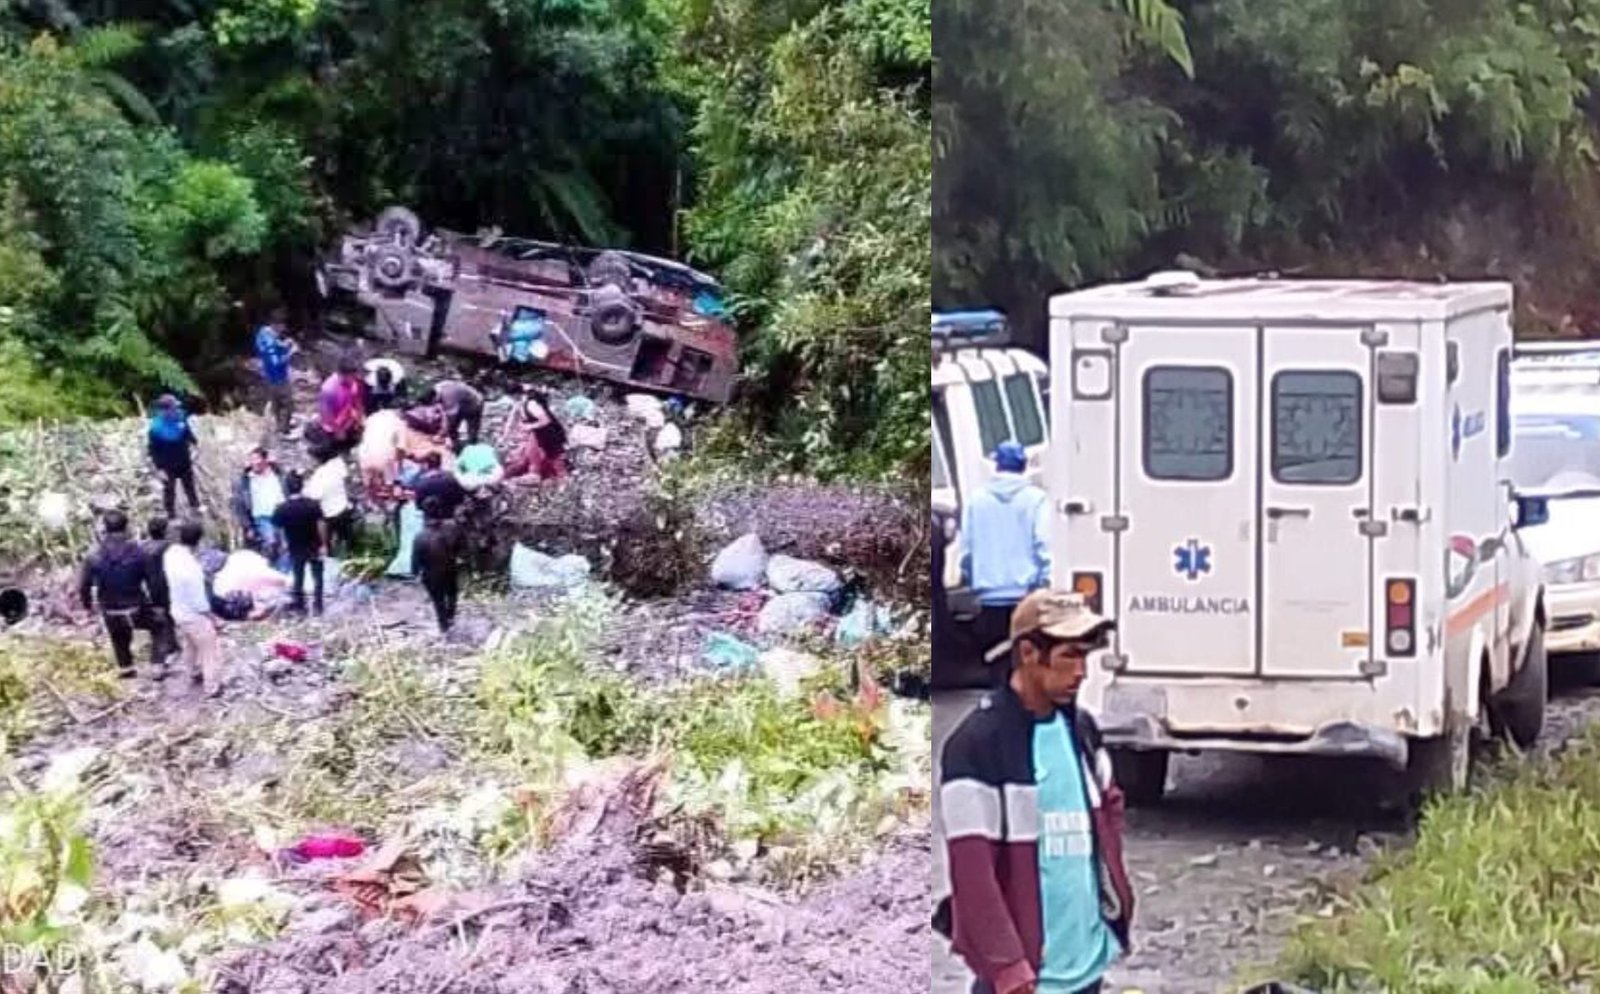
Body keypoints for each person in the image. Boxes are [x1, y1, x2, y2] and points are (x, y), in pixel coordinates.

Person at [935, 589, 1134, 994]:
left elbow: (1108, 809)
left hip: (1086, 965)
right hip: (1025, 981)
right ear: (1028, 653)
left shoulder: (1082, 731)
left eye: (1086, 657)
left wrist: (1116, 905)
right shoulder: (977, 745)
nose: (1082, 672)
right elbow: (974, 874)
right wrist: (1008, 967)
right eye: (1069, 656)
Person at [961, 441, 1051, 666]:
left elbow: (966, 550)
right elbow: (1044, 544)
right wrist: (1044, 580)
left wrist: (973, 579)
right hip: (1025, 596)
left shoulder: (976, 500)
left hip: (989, 596)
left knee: (995, 658)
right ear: (1023, 465)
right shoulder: (1036, 499)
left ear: (997, 465)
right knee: (1025, 658)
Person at [78, 510, 161, 679]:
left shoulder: (93, 556)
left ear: (104, 529)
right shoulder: (139, 552)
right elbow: (153, 582)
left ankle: (126, 668)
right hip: (137, 607)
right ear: (127, 527)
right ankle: (157, 665)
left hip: (111, 611)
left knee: (118, 636)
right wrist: (158, 605)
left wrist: (87, 606)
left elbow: (83, 586)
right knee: (160, 626)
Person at [163, 520, 223, 697]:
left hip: (177, 610)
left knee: (190, 644)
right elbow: (199, 602)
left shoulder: (171, 554)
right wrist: (214, 619)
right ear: (198, 541)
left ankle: (194, 672)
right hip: (193, 614)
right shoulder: (192, 568)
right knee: (210, 650)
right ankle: (213, 687)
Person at [272, 472, 327, 615]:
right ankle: (318, 606)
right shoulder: (313, 505)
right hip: (314, 544)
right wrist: (323, 544)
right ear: (302, 486)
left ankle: (300, 607)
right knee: (318, 577)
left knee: (298, 577)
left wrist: (282, 544)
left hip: (295, 547)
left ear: (286, 488)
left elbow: (277, 531)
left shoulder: (281, 509)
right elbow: (321, 525)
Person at [147, 395, 200, 519]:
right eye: (174, 407)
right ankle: (171, 514)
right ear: (165, 410)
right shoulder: (156, 428)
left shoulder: (180, 417)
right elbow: (153, 450)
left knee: (190, 486)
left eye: (176, 407)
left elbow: (188, 433)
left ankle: (195, 506)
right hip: (167, 465)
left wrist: (195, 446)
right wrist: (159, 469)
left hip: (184, 460)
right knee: (169, 490)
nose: (176, 409)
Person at [137, 517, 178, 672]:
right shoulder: (168, 547)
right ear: (165, 531)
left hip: (149, 587)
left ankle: (171, 646)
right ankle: (169, 649)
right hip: (166, 586)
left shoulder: (142, 547)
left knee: (162, 618)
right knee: (167, 617)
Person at [411, 510, 462, 632]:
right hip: (450, 569)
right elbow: (460, 549)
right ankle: (450, 617)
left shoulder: (419, 537)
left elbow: (415, 558)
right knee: (452, 595)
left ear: (425, 519)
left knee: (438, 601)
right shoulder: (451, 532)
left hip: (431, 573)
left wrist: (415, 573)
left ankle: (444, 626)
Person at [233, 447, 286, 563]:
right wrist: (248, 526)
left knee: (286, 546)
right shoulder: (244, 481)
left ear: (265, 460)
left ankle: (287, 574)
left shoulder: (278, 474)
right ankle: (274, 572)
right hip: (262, 517)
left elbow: (288, 487)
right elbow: (239, 505)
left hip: (283, 514)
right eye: (252, 459)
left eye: (257, 459)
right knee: (271, 544)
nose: (254, 462)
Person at [502, 389, 568, 482]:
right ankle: (534, 473)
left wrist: (529, 426)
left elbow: (546, 420)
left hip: (548, 432)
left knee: (553, 456)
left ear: (515, 395)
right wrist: (505, 436)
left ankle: (562, 478)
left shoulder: (530, 404)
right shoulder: (519, 404)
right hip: (537, 432)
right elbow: (511, 420)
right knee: (530, 453)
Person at [303, 447, 356, 556]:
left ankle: (330, 552)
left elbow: (314, 496)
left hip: (329, 513)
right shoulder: (337, 463)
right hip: (343, 507)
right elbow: (346, 478)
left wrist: (306, 485)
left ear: (317, 459)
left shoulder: (319, 476)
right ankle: (350, 553)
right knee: (347, 537)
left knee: (328, 541)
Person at [255, 310, 298, 436]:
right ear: (276, 325)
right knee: (287, 404)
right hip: (278, 377)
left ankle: (279, 424)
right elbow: (276, 362)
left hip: (268, 375)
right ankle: (284, 429)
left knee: (276, 402)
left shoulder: (263, 332)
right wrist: (291, 352)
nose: (283, 329)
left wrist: (284, 344)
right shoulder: (270, 342)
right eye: (282, 326)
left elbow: (273, 344)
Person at [317, 355, 367, 453]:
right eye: (352, 376)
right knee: (332, 450)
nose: (354, 378)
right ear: (342, 374)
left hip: (348, 420)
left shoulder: (353, 383)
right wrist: (338, 430)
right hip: (333, 426)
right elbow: (326, 414)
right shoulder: (329, 389)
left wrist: (360, 417)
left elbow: (357, 400)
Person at [426, 379, 484, 448]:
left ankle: (472, 447)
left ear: (435, 397)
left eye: (435, 402)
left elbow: (450, 418)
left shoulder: (448, 395)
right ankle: (455, 445)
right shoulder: (437, 388)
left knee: (472, 429)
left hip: (475, 402)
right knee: (452, 427)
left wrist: (441, 434)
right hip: (460, 401)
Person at [410, 451, 467, 520]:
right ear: (440, 463)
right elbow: (460, 498)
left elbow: (419, 506)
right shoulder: (452, 477)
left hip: (431, 522)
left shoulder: (421, 482)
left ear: (427, 464)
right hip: (451, 519)